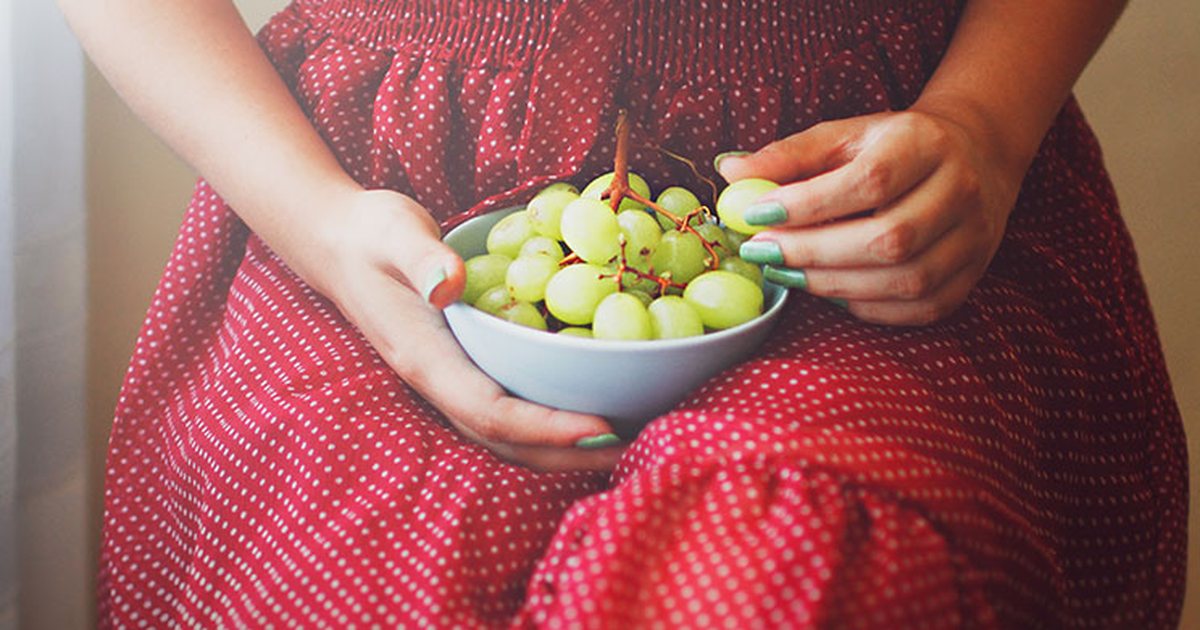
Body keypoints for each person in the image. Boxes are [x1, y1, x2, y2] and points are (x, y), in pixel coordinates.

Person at [61, 0, 1186, 626]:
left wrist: (985, 124)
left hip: (855, 202)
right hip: (370, 198)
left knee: (795, 580)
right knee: (355, 589)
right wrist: (319, 225)